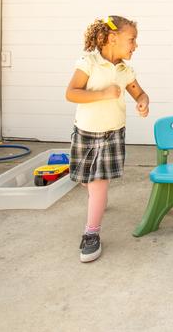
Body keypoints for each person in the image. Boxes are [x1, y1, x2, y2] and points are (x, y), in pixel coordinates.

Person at [65, 15, 150, 263]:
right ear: (113, 38)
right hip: (86, 132)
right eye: (132, 40)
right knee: (85, 180)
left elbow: (140, 93)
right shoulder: (89, 63)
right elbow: (71, 93)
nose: (135, 45)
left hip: (112, 133)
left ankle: (91, 234)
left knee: (99, 182)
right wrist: (102, 93)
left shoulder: (125, 70)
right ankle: (97, 197)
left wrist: (143, 103)